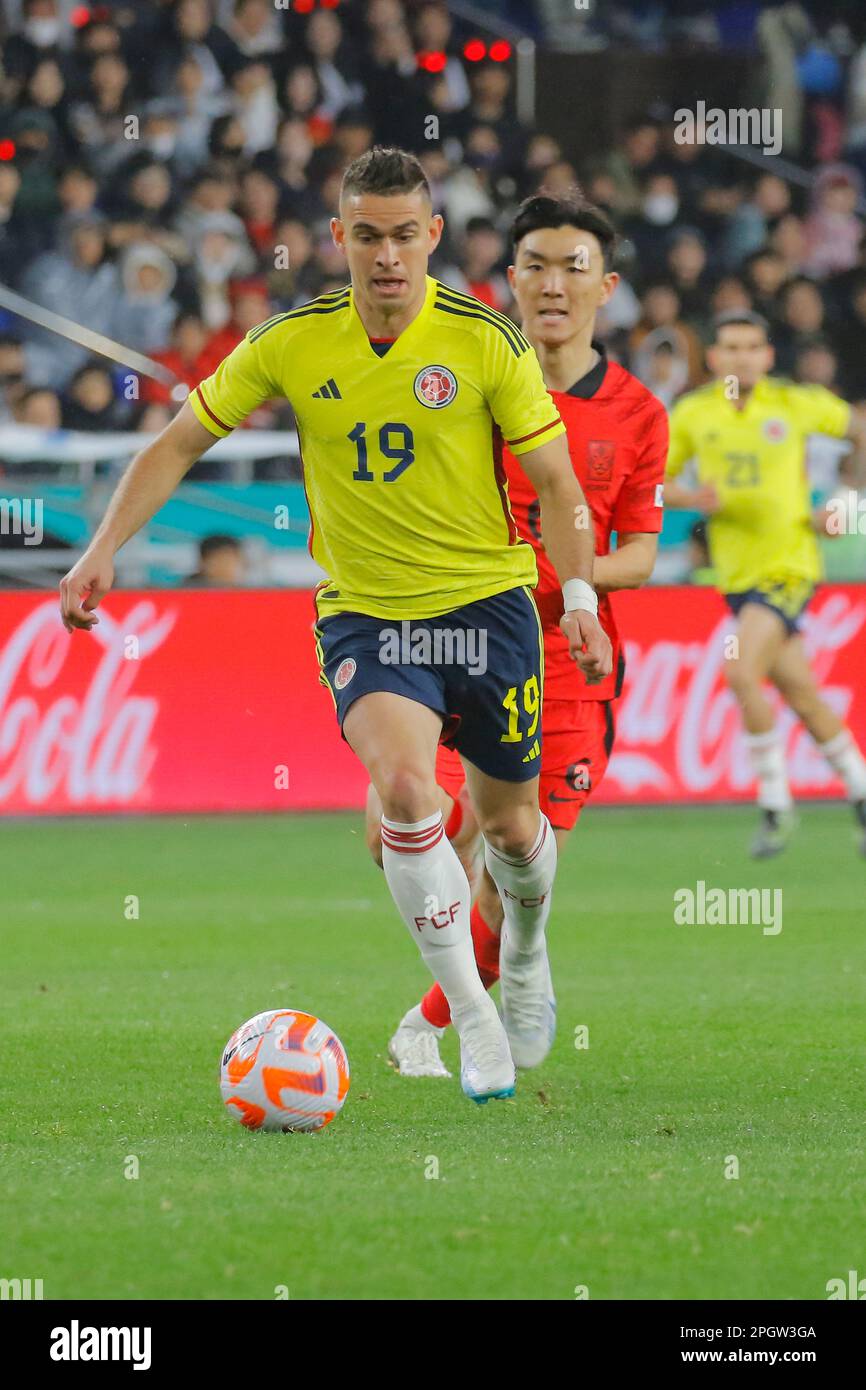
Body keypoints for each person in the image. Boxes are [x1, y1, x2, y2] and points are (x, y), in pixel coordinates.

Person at [59, 146, 611, 1106]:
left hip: (487, 609)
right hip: (368, 616)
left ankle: (524, 955)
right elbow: (180, 439)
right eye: (368, 236)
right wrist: (103, 545)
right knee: (404, 794)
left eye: (405, 236)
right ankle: (471, 1016)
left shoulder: (487, 342)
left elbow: (559, 485)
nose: (388, 256)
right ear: (338, 239)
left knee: (513, 831)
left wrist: (578, 597)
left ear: (433, 236)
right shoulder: (291, 341)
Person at [382, 192, 668, 1078]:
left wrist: (554, 578)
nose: (553, 283)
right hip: (459, 637)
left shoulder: (637, 413)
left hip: (569, 658)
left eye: (573, 267)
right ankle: (481, 991)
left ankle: (446, 1011)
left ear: (606, 287)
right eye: (535, 264)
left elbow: (644, 554)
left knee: (513, 860)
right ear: (510, 278)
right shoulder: (464, 376)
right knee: (410, 820)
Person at [664, 310, 866, 857]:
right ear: (713, 359)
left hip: (790, 566)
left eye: (752, 347)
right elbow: (654, 481)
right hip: (735, 576)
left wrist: (845, 506)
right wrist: (689, 498)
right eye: (730, 347)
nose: (742, 357)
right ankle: (861, 790)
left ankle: (775, 805)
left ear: (768, 356)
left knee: (739, 670)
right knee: (800, 691)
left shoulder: (794, 404)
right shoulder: (693, 413)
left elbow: (859, 431)